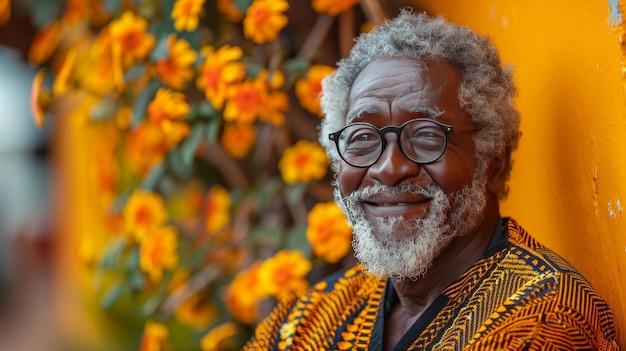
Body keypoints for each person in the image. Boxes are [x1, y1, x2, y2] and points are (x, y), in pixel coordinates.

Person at [243, 9, 619, 350]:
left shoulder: (542, 319)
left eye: (425, 137)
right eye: (362, 137)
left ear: (493, 164)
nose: (388, 169)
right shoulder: (314, 316)